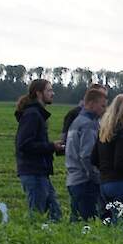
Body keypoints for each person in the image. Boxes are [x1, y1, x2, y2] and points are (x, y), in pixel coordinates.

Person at [14, 79, 63, 220]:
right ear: (39, 93)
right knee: (37, 215)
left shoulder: (36, 114)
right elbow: (24, 144)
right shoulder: (32, 115)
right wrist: (51, 146)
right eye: (49, 90)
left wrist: (52, 147)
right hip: (33, 172)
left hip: (40, 172)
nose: (52, 93)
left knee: (55, 213)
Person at [65, 86, 107, 221]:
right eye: (102, 105)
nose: (104, 109)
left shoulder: (76, 122)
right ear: (91, 103)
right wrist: (95, 176)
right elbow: (86, 155)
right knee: (89, 222)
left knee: (76, 222)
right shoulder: (89, 125)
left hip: (73, 179)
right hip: (85, 181)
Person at [93, 94, 123, 221]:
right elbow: (120, 162)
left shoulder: (104, 131)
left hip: (105, 183)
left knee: (108, 222)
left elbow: (94, 159)